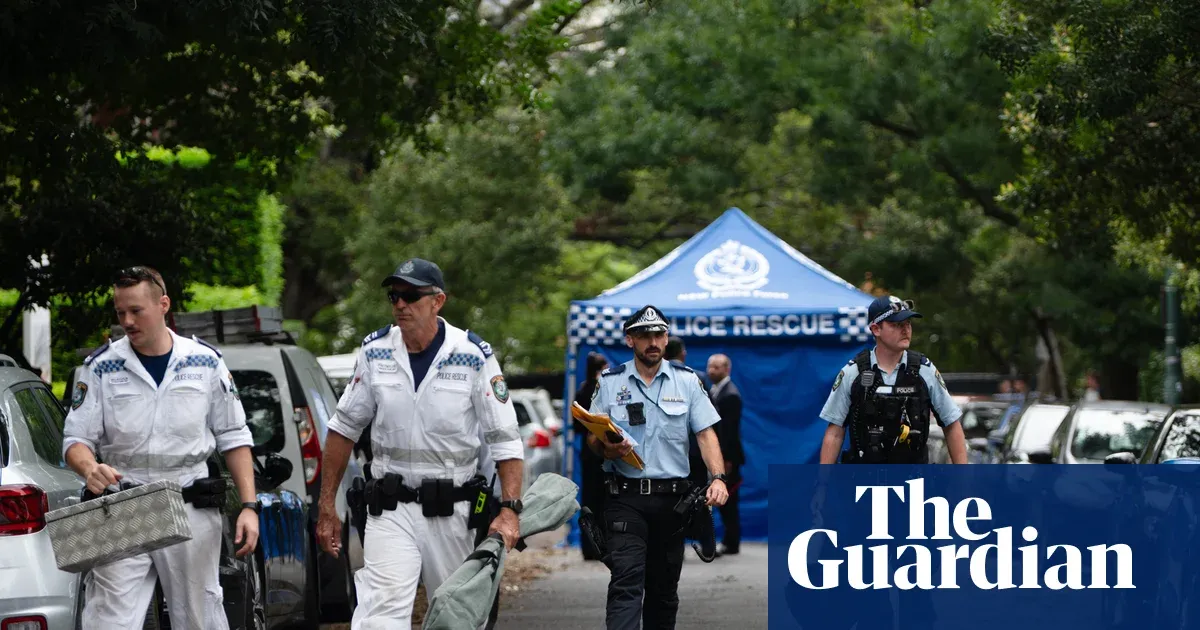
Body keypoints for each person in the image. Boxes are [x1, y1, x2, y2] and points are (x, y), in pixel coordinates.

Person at [315, 257, 525, 628]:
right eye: (394, 296)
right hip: (389, 508)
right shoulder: (375, 351)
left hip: (453, 511)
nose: (400, 304)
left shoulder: (473, 355)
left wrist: (509, 510)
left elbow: (505, 440)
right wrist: (327, 504)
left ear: (437, 301)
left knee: (456, 618)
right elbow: (343, 429)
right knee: (379, 617)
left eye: (411, 296)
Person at [62, 265, 260, 629]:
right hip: (124, 504)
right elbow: (75, 440)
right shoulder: (101, 367)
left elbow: (234, 436)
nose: (127, 321)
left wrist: (249, 507)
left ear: (163, 304)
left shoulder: (205, 362)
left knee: (199, 618)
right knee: (108, 621)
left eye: (136, 310)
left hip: (189, 504)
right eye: (120, 312)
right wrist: (90, 469)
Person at [589, 305, 729, 630]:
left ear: (666, 339)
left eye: (658, 335)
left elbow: (706, 434)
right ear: (630, 340)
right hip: (625, 498)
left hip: (672, 503)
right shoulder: (610, 382)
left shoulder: (687, 381)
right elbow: (593, 439)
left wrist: (718, 478)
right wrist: (607, 448)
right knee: (626, 582)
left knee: (663, 592)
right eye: (644, 335)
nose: (652, 342)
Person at [818, 295, 968, 465]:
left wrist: (962, 476)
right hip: (864, 477)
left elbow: (951, 424)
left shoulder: (924, 370)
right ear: (876, 329)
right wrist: (823, 479)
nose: (905, 330)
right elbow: (835, 432)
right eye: (897, 324)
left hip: (913, 478)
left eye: (908, 323)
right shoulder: (853, 373)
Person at [706, 353, 743, 556]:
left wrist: (726, 460)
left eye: (717, 367)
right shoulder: (715, 391)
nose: (712, 371)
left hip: (727, 457)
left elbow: (729, 432)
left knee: (729, 501)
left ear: (727, 369)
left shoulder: (730, 395)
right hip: (719, 455)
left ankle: (731, 542)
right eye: (710, 366)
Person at [575, 351, 610, 561]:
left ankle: (589, 546)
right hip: (601, 453)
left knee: (588, 501)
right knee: (603, 501)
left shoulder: (581, 390)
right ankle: (601, 545)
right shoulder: (600, 391)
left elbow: (576, 425)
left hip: (588, 455)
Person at [664, 337, 710, 492]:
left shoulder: (651, 378)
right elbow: (708, 418)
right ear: (683, 354)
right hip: (694, 449)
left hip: (665, 451)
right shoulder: (697, 377)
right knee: (697, 494)